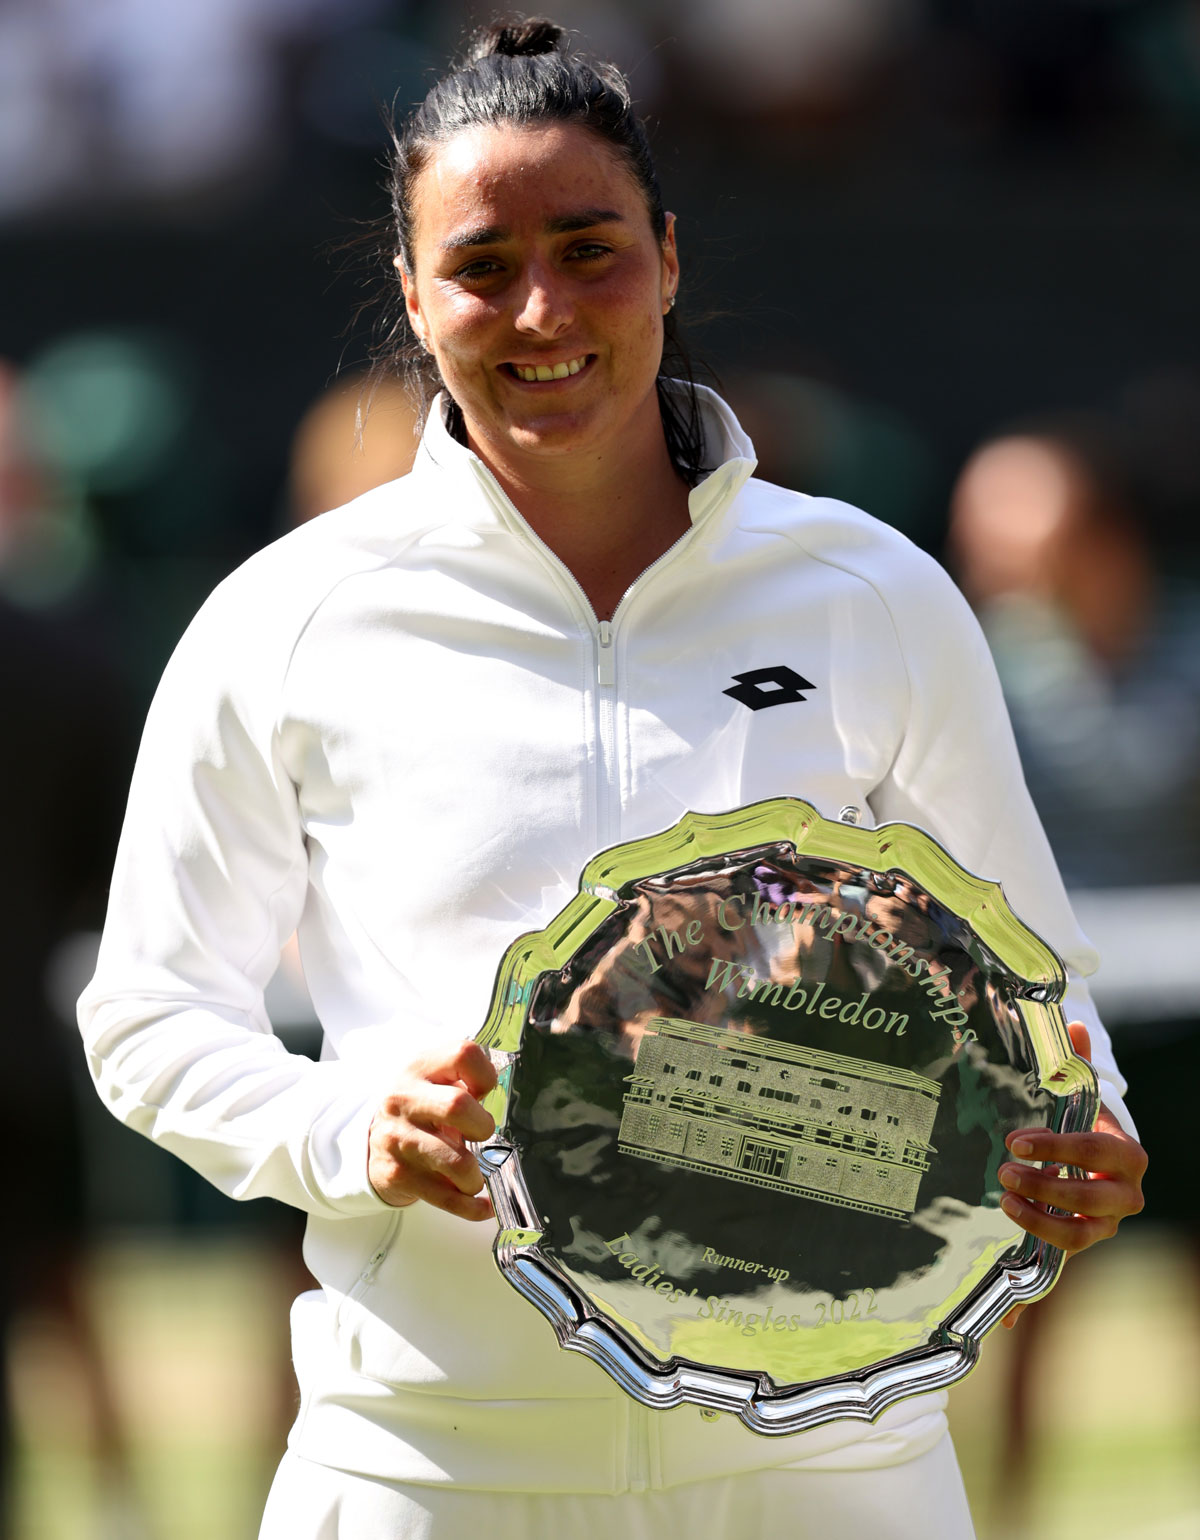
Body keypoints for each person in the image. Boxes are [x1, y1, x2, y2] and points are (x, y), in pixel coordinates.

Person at [78, 18, 1147, 1539]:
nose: (540, 309)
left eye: (590, 250)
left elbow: (1038, 978)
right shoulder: (286, 617)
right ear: (409, 295)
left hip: (837, 1474)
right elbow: (151, 1011)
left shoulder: (872, 594)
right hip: (428, 1466)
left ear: (668, 254)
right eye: (481, 263)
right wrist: (353, 1129)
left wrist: (1079, 1119)